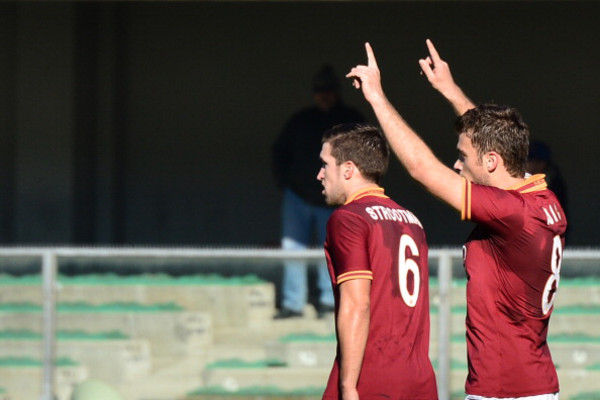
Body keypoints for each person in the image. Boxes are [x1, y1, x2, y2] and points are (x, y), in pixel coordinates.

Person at [347, 40, 567, 400]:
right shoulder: (541, 198)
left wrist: (376, 97)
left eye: (463, 157)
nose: (457, 164)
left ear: (492, 161)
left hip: (504, 392)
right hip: (536, 383)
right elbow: (494, 141)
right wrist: (449, 90)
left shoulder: (510, 212)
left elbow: (423, 170)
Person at [318, 123, 437, 400]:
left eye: (325, 164)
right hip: (418, 380)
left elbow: (357, 304)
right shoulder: (412, 221)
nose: (319, 174)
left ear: (348, 169)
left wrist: (348, 386)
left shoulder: (349, 219)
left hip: (373, 379)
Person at [272, 65, 364, 319]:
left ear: (337, 92)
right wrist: (284, 184)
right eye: (319, 91)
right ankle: (293, 303)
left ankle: (328, 301)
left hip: (334, 199)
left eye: (328, 91)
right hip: (298, 196)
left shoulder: (350, 119)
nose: (324, 95)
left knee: (333, 249)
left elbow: (368, 156)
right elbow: (279, 152)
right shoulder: (301, 119)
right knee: (293, 249)